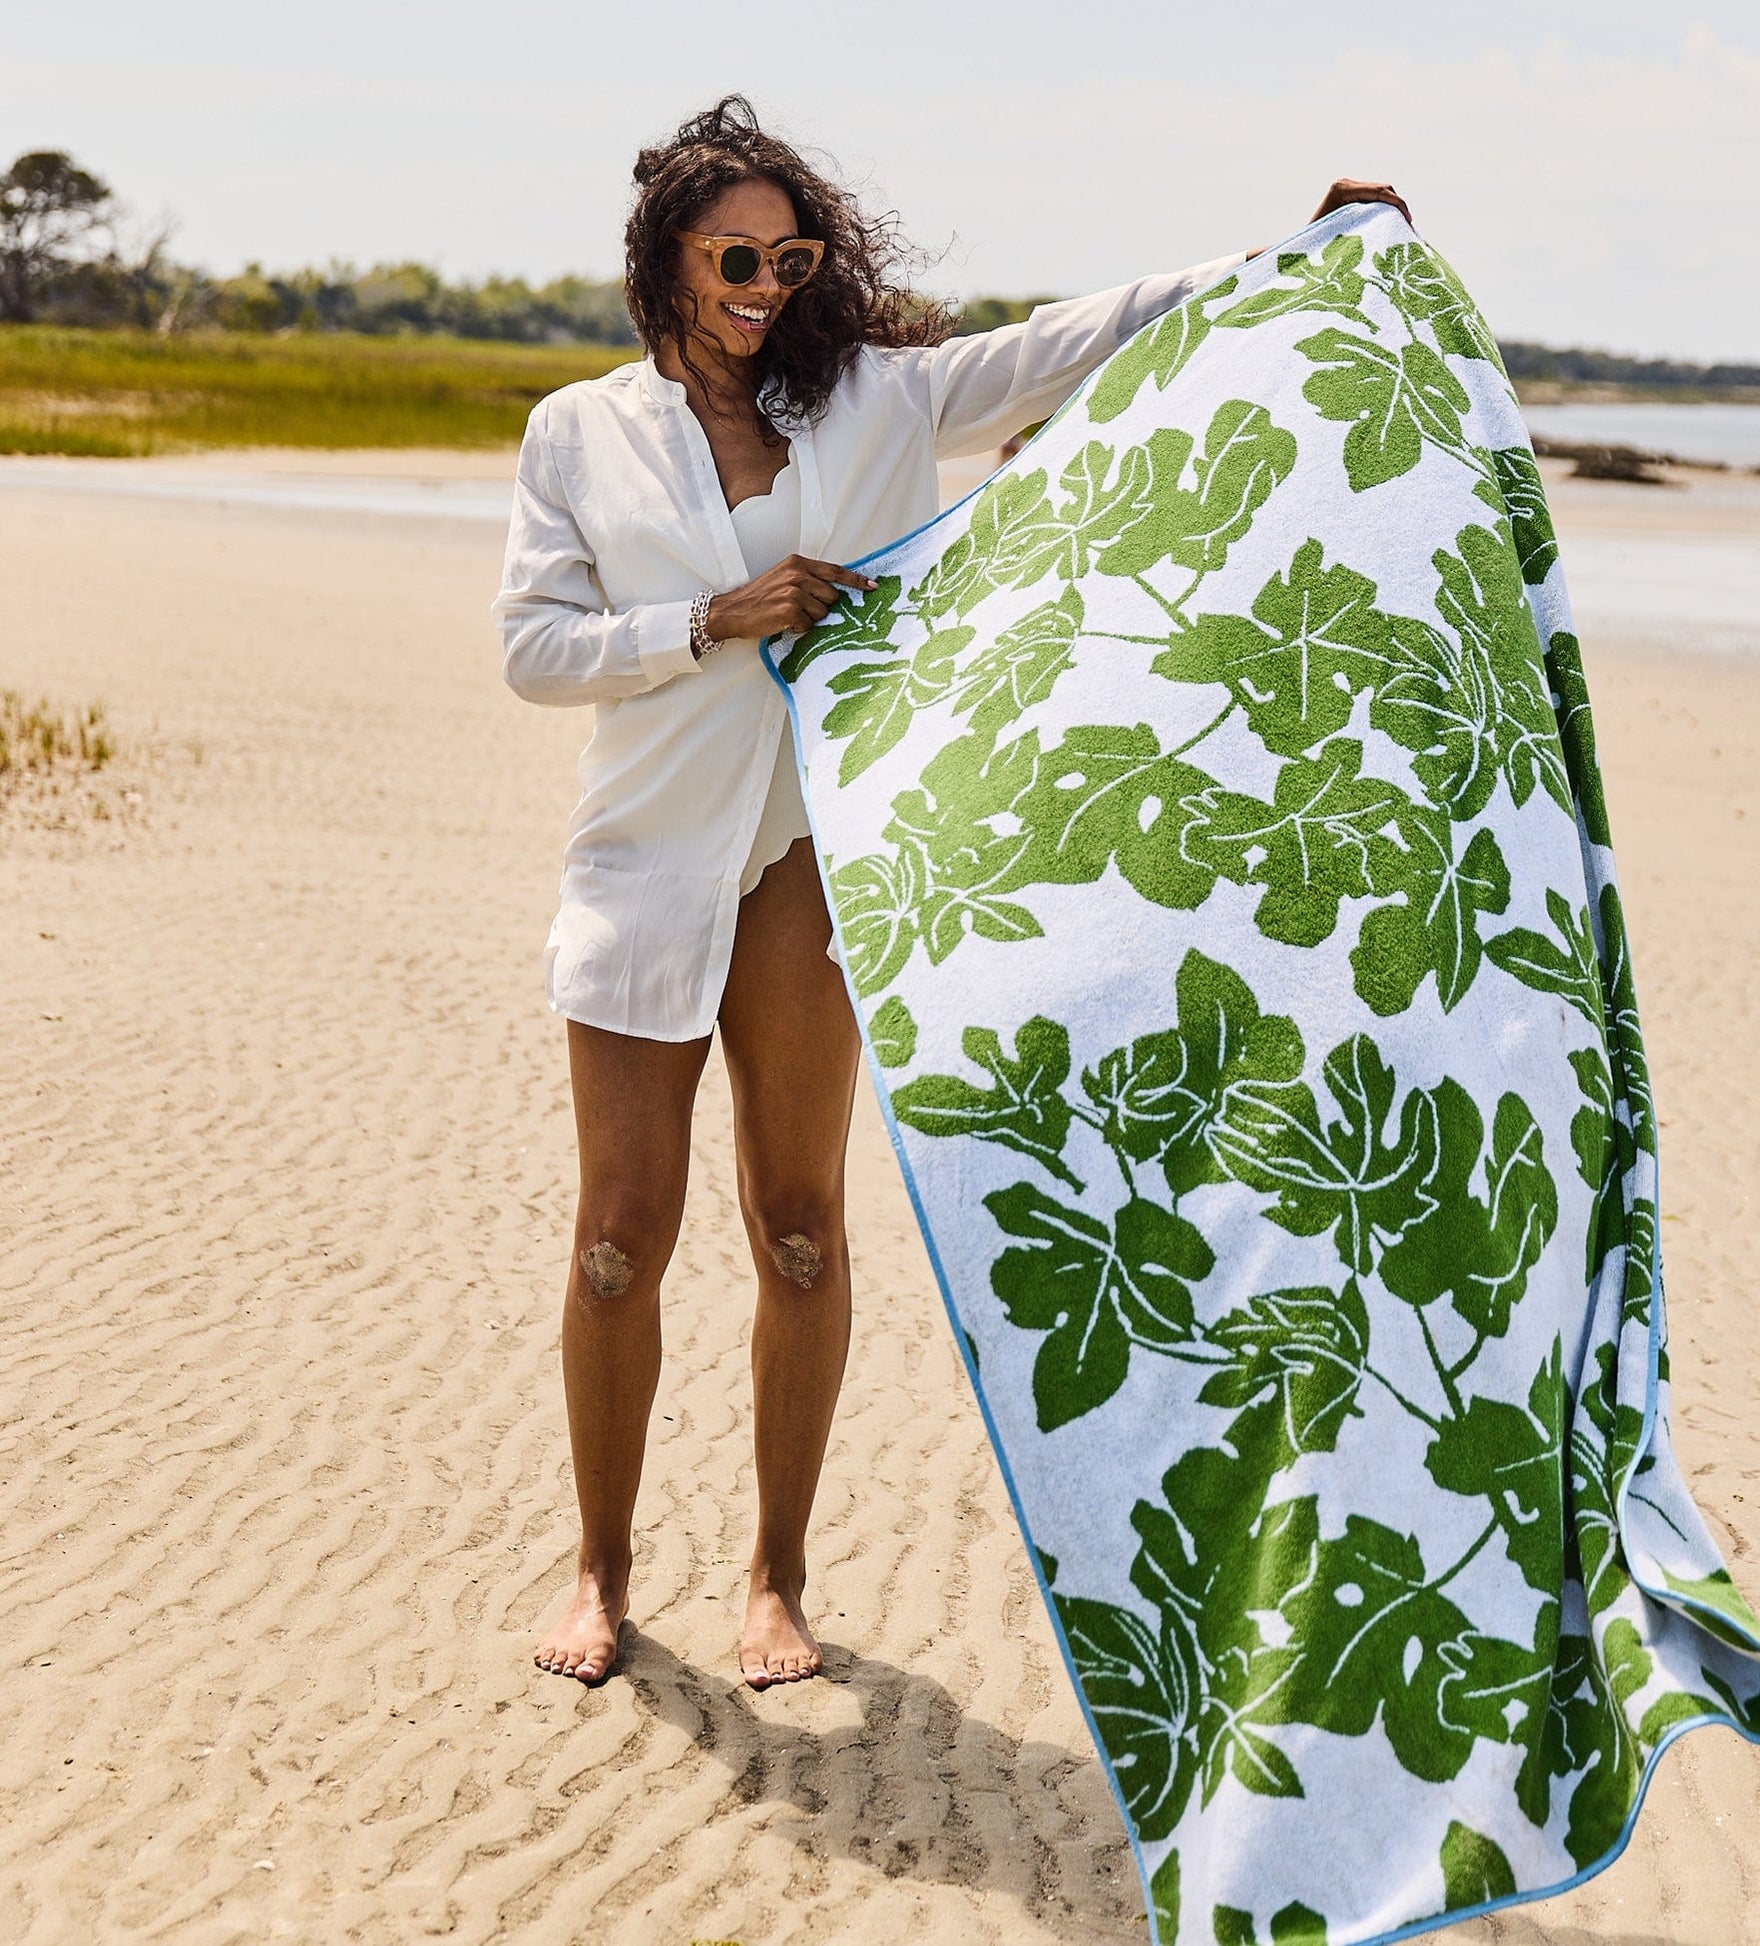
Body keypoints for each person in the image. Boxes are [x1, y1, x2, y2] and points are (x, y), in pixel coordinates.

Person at [493, 93, 1409, 1689]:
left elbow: (1074, 341)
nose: (766, 281)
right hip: (640, 863)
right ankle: (601, 1564)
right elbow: (531, 651)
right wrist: (711, 617)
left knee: (794, 1225)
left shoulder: (879, 398)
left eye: (791, 253)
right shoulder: (577, 431)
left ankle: (775, 1576)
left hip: (810, 857)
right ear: (664, 264)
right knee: (618, 1239)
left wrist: (1288, 253)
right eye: (733, 255)